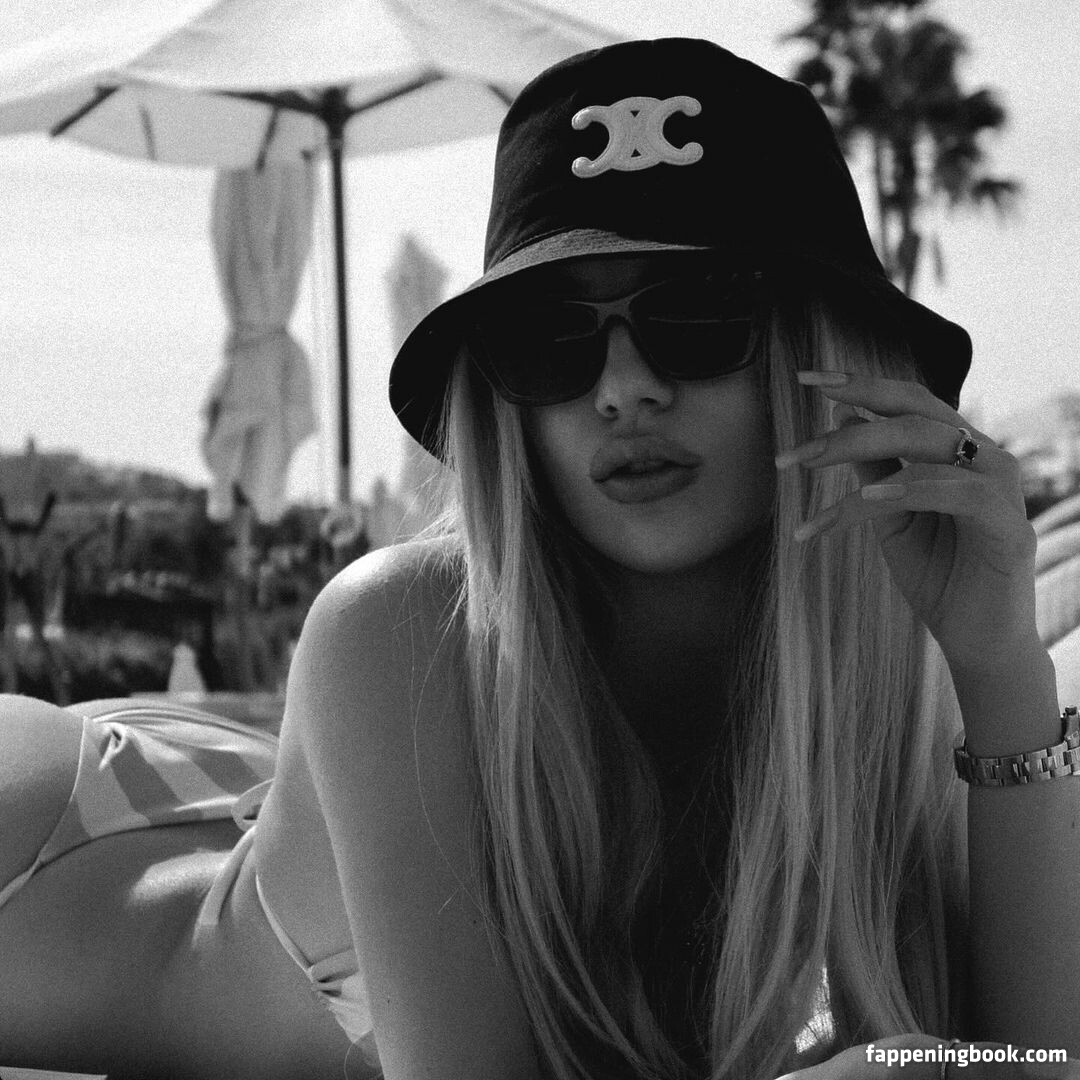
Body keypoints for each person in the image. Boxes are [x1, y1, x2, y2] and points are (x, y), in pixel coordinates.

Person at [1, 36, 1077, 1080]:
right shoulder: (405, 628)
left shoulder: (883, 662)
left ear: (824, 349)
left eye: (698, 316)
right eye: (551, 337)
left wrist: (1003, 666)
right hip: (51, 849)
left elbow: (1040, 1061)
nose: (623, 388)